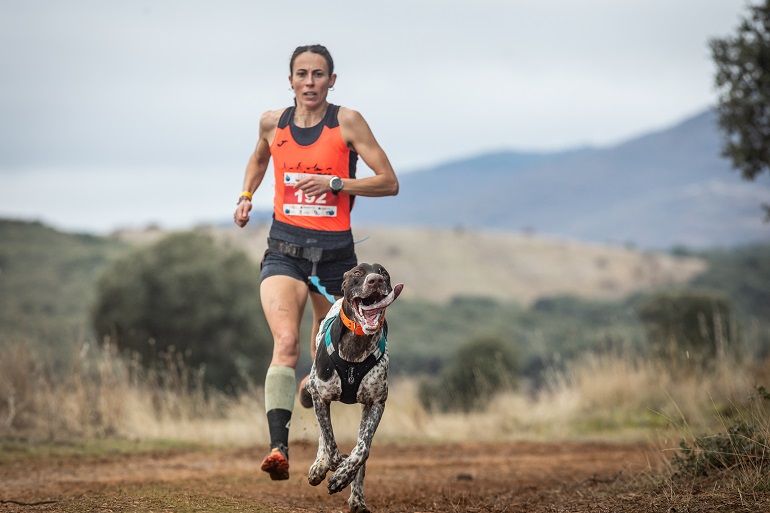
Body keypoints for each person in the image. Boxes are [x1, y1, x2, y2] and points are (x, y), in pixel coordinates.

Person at [233, 44, 399, 481]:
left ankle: (316, 408)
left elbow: (389, 182)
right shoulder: (273, 123)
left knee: (324, 358)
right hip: (283, 252)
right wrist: (247, 196)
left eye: (319, 74)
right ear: (289, 80)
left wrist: (335, 182)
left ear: (332, 80)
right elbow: (257, 158)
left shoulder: (347, 122)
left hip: (336, 261)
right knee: (285, 344)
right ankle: (278, 449)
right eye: (302, 74)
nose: (310, 82)